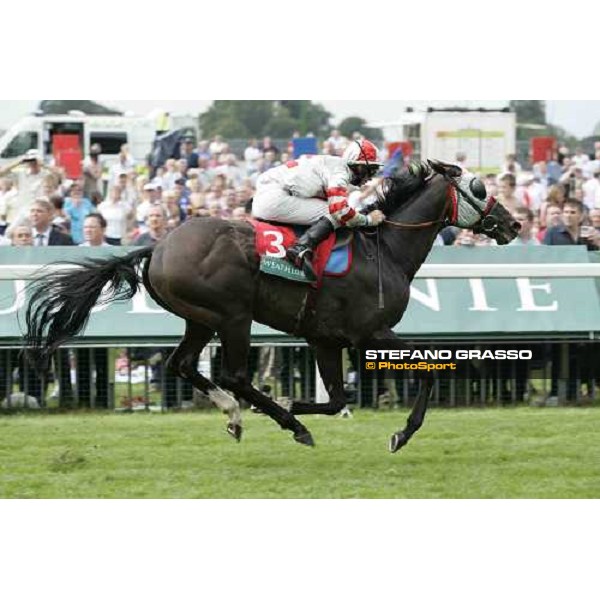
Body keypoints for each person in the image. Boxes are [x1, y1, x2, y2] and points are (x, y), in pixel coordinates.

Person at [252, 139, 385, 281]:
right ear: (356, 165)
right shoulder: (340, 173)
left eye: (374, 170)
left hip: (270, 193)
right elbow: (339, 211)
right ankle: (300, 248)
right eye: (369, 169)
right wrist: (368, 220)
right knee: (335, 214)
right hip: (274, 198)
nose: (370, 176)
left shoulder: (333, 164)